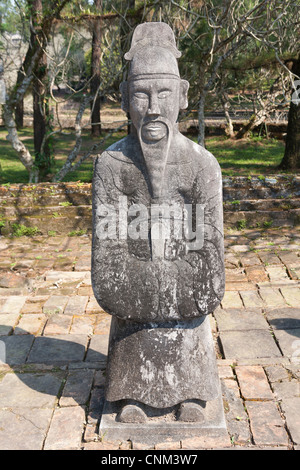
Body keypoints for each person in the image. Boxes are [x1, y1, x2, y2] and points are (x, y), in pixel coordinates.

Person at [92, 22, 225, 423]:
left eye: (164, 93)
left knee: (192, 313)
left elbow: (210, 277)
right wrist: (170, 285)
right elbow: (109, 275)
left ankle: (192, 391)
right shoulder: (111, 166)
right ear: (124, 99)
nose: (153, 107)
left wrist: (150, 283)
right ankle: (130, 392)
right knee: (132, 324)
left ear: (183, 96)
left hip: (188, 319)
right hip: (131, 323)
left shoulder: (202, 167)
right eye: (141, 94)